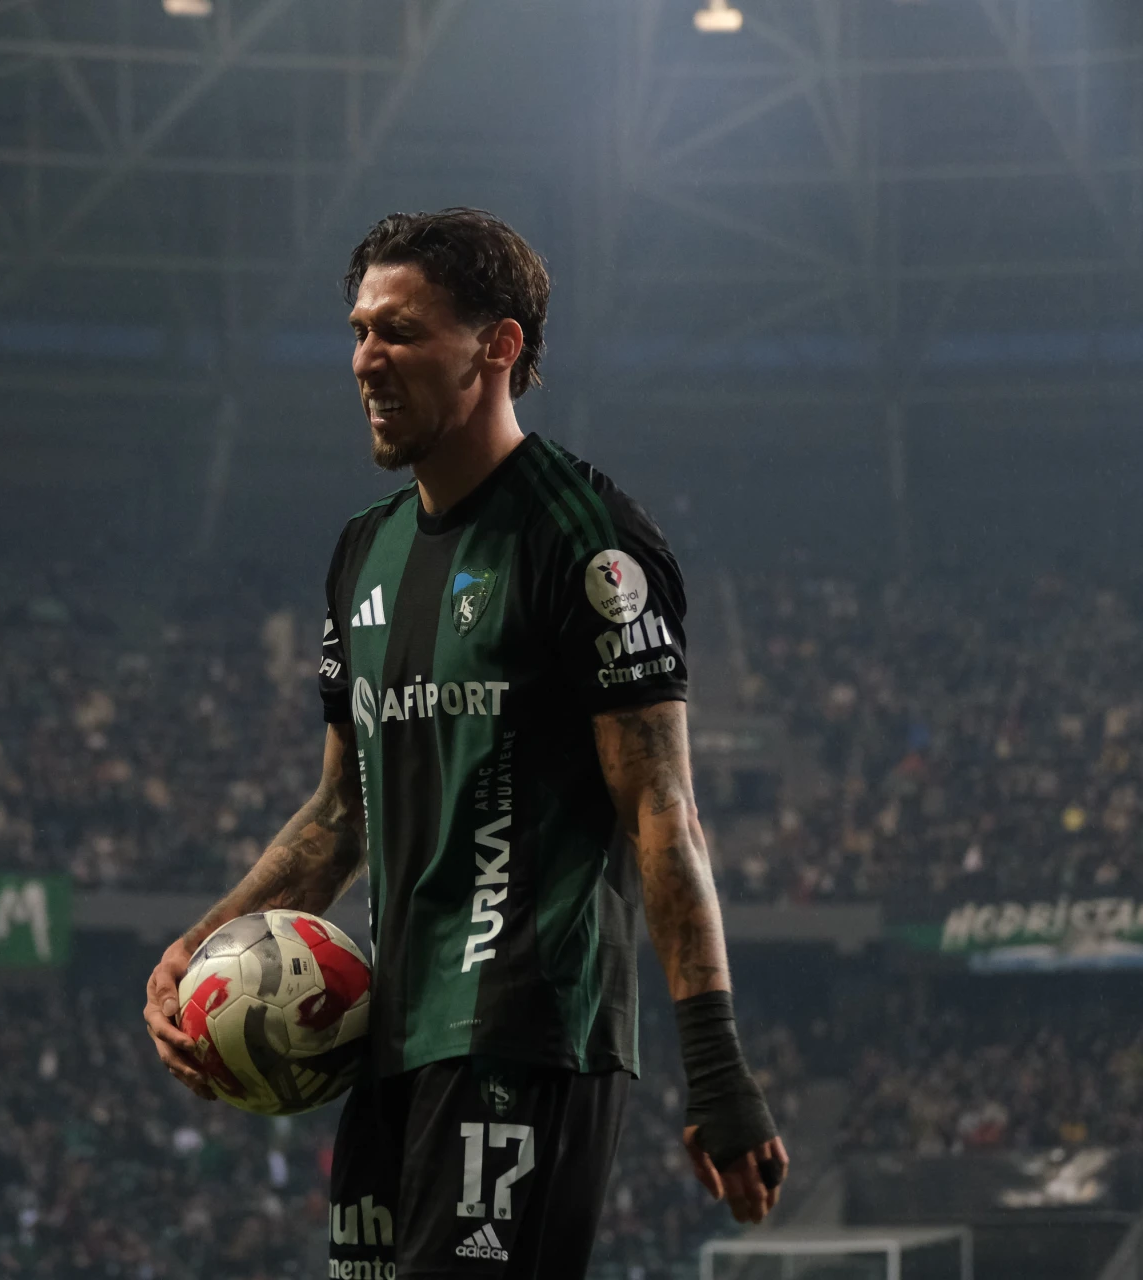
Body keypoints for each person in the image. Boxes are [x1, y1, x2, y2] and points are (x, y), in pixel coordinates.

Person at [144, 208, 787, 1277]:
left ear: (498, 346)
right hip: (388, 1038)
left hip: (522, 1033)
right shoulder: (364, 551)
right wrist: (200, 943)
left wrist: (716, 1068)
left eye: (400, 332)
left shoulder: (587, 538)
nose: (367, 360)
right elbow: (342, 810)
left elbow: (661, 807)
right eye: (360, 332)